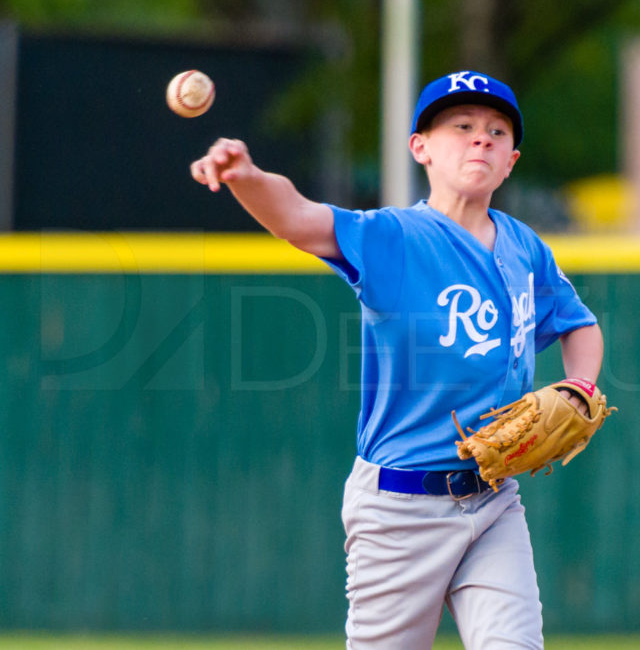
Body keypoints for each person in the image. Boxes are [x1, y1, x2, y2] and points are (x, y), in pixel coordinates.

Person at [191, 70, 605, 649]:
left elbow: (579, 323)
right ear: (421, 148)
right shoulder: (395, 237)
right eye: (461, 126)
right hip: (400, 509)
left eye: (496, 130)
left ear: (512, 159)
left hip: (492, 499)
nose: (480, 139)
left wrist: (579, 386)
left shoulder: (525, 246)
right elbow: (298, 217)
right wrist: (248, 177)